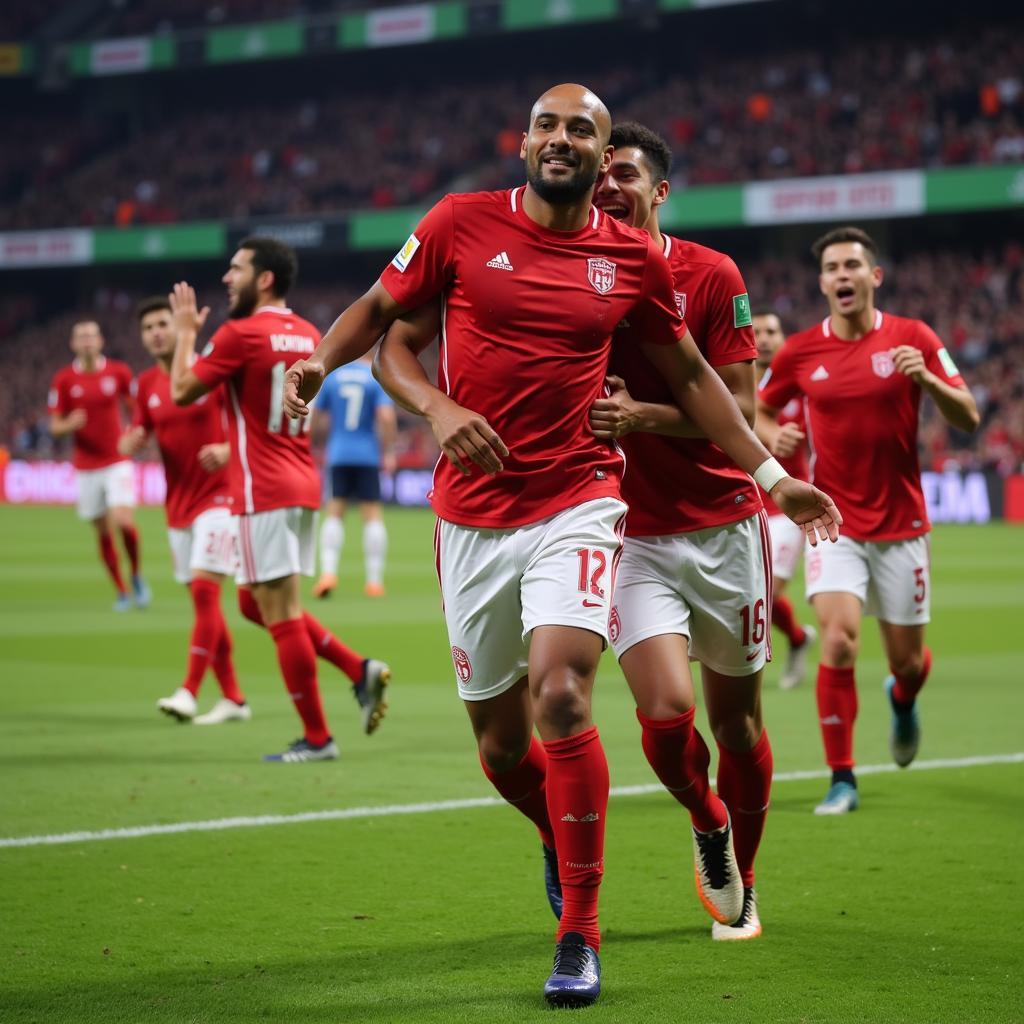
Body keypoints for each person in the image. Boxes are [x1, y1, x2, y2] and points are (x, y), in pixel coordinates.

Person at [281, 84, 840, 1006]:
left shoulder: (631, 260)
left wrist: (775, 479)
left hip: (582, 500)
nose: (562, 139)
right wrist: (404, 393)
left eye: (582, 129)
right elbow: (385, 320)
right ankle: (555, 827)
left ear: (605, 152)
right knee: (502, 750)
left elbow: (700, 378)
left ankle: (579, 933)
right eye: (547, 124)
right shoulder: (460, 223)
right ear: (526, 140)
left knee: (563, 693)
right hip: (470, 515)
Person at [587, 121, 804, 941]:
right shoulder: (575, 276)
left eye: (627, 174)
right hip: (631, 532)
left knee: (739, 724)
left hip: (724, 527)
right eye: (601, 174)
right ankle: (706, 818)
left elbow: (742, 410)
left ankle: (743, 886)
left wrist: (640, 415)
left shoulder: (711, 275)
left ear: (660, 190)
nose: (610, 186)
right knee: (668, 715)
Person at [758, 226, 979, 815]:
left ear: (873, 276)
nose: (842, 275)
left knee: (907, 662)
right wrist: (767, 433)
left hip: (903, 525)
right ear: (823, 282)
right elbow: (753, 404)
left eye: (853, 265)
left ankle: (903, 700)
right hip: (835, 522)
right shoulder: (800, 351)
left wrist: (928, 380)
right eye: (832, 267)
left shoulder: (916, 338)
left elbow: (971, 417)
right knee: (838, 639)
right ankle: (842, 777)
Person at [167, 237, 391, 762]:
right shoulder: (310, 334)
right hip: (300, 482)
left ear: (264, 278)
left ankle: (317, 737)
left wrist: (184, 337)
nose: (226, 277)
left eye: (236, 269)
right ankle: (359, 669)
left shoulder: (240, 333)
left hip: (260, 488)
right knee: (253, 602)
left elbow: (182, 390)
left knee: (282, 613)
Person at [119, 296, 250, 725]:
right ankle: (233, 698)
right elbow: (142, 428)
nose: (156, 332)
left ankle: (189, 691)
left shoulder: (210, 370)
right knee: (204, 607)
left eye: (163, 323)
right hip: (178, 507)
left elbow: (251, 422)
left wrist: (229, 449)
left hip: (221, 499)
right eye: (148, 327)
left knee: (204, 593)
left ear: (179, 327)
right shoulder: (145, 386)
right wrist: (133, 440)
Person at [47, 320, 150, 611]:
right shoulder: (64, 379)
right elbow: (55, 426)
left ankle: (137, 574)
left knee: (124, 522)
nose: (88, 341)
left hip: (117, 460)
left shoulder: (118, 372)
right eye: (82, 336)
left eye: (92, 335)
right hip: (85, 466)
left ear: (101, 340)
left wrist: (134, 432)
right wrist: (69, 424)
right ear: (73, 344)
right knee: (103, 532)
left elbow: (135, 409)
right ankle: (121, 590)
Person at [752, 310, 817, 689]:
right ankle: (797, 638)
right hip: (744, 502)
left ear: (783, 338)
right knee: (754, 590)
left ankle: (745, 666)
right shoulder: (735, 382)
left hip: (786, 506)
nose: (763, 338)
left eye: (771, 331)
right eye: (756, 331)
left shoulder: (801, 386)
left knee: (764, 589)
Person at [311, 350, 397, 599]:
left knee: (334, 512)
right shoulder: (374, 379)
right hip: (367, 454)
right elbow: (386, 416)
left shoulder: (333, 377)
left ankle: (328, 573)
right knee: (371, 516)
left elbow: (317, 415)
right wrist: (389, 451)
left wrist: (316, 442)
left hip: (338, 453)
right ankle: (374, 581)